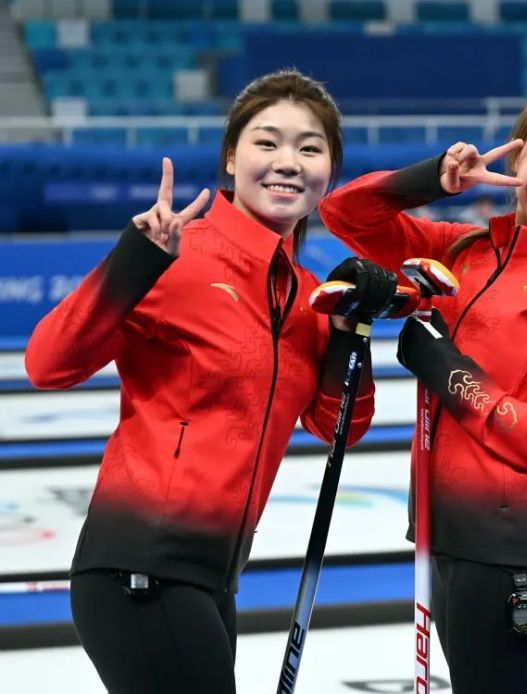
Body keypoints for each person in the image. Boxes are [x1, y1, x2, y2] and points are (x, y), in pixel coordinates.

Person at [24, 69, 398, 694]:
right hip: (140, 570)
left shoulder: (309, 295)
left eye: (310, 148)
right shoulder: (176, 255)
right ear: (230, 156)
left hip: (216, 578)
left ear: (329, 170)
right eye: (267, 142)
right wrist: (134, 261)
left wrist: (347, 334)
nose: (287, 162)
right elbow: (47, 364)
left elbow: (338, 427)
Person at [319, 85, 527, 694]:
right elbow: (344, 213)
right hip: (452, 541)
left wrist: (440, 362)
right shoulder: (464, 250)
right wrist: (435, 181)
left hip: (518, 556)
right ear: (514, 162)